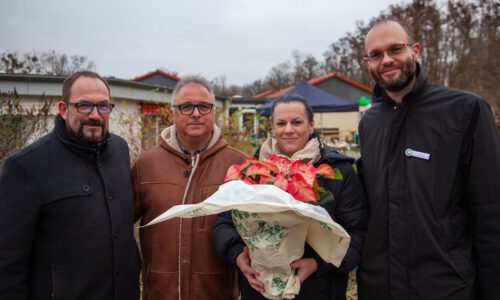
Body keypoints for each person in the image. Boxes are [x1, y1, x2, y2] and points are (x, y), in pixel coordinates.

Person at [357, 19, 500, 300]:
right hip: (379, 286)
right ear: (367, 62)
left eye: (395, 49)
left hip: (444, 287)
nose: (386, 60)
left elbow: (491, 213)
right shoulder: (370, 122)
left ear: (416, 50)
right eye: (376, 54)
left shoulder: (465, 111)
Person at [0, 71, 141, 299]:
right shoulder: (26, 167)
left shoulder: (120, 150)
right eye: (84, 106)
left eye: (103, 106)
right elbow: (8, 262)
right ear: (64, 110)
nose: (95, 115)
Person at [213, 94, 368, 300]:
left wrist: (318, 264)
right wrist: (238, 256)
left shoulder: (337, 171)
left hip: (318, 290)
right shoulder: (251, 170)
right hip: (260, 289)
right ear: (272, 127)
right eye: (281, 123)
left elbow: (357, 232)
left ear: (311, 126)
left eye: (297, 122)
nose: (288, 129)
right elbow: (224, 223)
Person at [133, 76, 247, 300]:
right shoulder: (146, 165)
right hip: (160, 293)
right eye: (186, 106)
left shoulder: (239, 164)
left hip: (217, 294)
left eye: (204, 106)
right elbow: (118, 228)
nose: (196, 113)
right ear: (173, 112)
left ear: (213, 112)